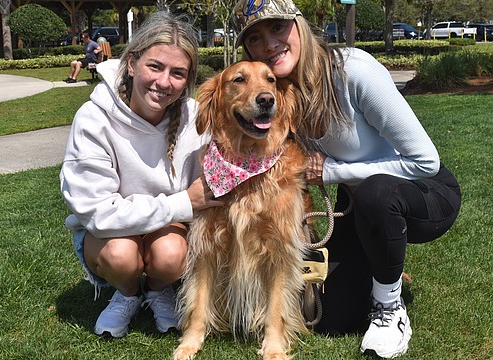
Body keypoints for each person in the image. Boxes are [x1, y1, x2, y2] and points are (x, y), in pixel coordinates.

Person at [232, 0, 461, 358]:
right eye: (256, 38)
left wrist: (331, 170)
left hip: (426, 192)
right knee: (334, 318)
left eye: (278, 28)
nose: (269, 44)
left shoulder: (353, 70)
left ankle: (390, 309)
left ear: (299, 25)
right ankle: (383, 267)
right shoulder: (281, 92)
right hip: (359, 202)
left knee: (376, 193)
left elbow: (425, 161)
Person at [60, 12, 222, 338]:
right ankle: (128, 293)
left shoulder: (195, 118)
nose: (164, 82)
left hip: (168, 231)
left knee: (172, 254)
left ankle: (158, 289)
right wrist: (182, 203)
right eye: (155, 66)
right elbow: (98, 214)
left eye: (178, 73)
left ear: (188, 80)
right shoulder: (94, 118)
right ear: (132, 63)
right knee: (121, 256)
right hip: (107, 236)